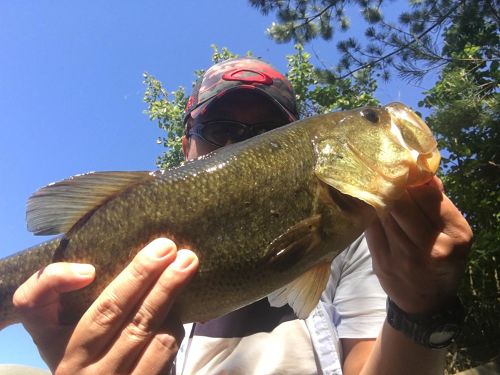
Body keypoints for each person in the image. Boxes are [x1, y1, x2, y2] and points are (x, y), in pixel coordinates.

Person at [11, 57, 472, 375]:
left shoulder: (363, 243)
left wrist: (418, 309)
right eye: (219, 129)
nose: (238, 145)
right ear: (185, 144)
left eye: (267, 132)